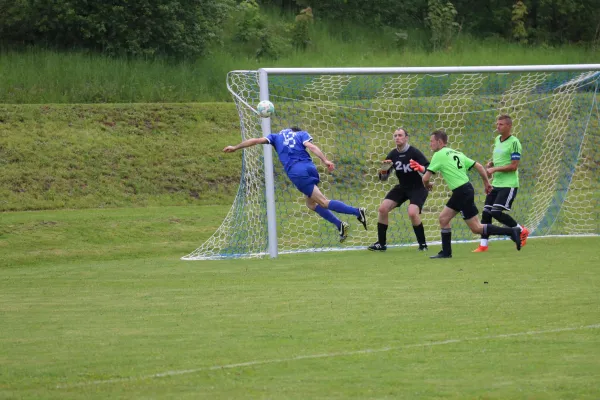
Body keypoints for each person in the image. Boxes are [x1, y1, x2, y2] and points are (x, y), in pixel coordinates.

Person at [223, 126, 367, 242]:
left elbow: (255, 140)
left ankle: (357, 212)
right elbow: (311, 146)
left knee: (323, 202)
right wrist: (325, 160)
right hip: (310, 168)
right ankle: (340, 225)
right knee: (311, 204)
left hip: (297, 172)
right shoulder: (301, 134)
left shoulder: (275, 137)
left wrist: (236, 147)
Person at [409, 130, 523, 259]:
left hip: (461, 191)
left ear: (440, 142)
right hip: (466, 189)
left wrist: (427, 185)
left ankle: (446, 252)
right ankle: (512, 231)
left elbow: (425, 178)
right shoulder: (457, 153)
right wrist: (486, 183)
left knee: (445, 219)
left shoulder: (439, 155)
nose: (430, 144)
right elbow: (479, 166)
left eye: (431, 141)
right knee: (475, 227)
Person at [473, 114, 530, 252]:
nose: (498, 126)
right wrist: (492, 162)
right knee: (486, 212)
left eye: (501, 124)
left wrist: (494, 169)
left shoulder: (514, 142)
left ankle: (521, 230)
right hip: (496, 183)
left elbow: (513, 166)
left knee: (496, 212)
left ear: (509, 126)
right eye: (497, 124)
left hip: (508, 184)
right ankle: (483, 245)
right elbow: (500, 157)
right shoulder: (497, 139)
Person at [368, 128, 430, 252]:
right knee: (382, 209)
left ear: (406, 138)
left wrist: (423, 173)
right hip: (402, 187)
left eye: (400, 135)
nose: (397, 137)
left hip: (418, 187)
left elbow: (429, 168)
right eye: (395, 135)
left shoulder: (414, 152)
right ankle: (381, 244)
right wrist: (384, 169)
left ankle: (423, 245)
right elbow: (382, 178)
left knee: (412, 213)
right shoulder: (392, 154)